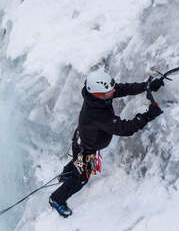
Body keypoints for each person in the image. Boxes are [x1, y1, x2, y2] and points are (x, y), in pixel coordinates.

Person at [49, 69, 164, 217]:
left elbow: (122, 89)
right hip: (86, 149)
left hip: (83, 141)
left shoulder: (98, 97)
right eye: (110, 90)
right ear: (98, 94)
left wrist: (146, 86)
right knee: (82, 179)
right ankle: (56, 199)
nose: (114, 90)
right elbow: (124, 129)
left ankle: (66, 174)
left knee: (77, 162)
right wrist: (148, 115)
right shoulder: (97, 113)